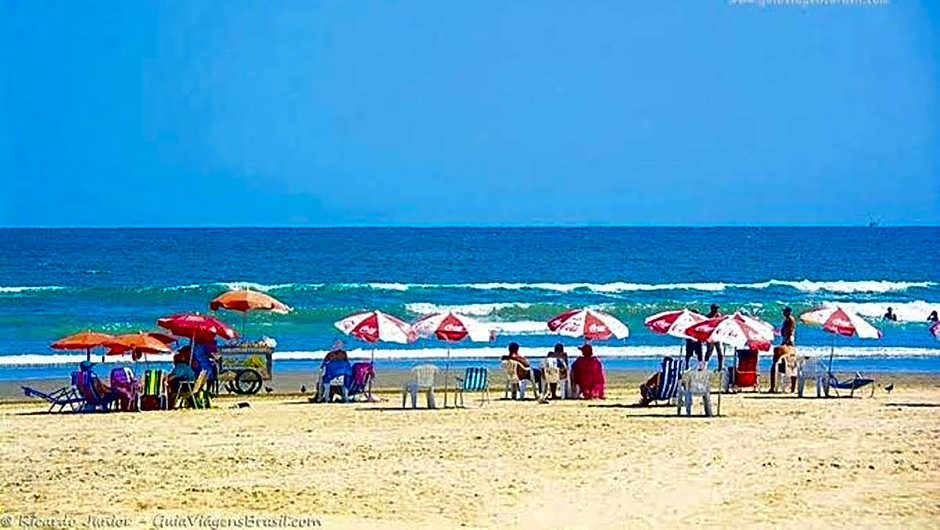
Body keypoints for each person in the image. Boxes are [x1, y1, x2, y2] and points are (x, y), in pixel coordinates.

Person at [770, 307, 797, 393]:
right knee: (791, 366)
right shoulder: (789, 320)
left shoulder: (789, 320)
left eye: (785, 311)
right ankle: (792, 388)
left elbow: (789, 332)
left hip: (787, 343)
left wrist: (786, 341)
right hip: (788, 343)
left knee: (777, 364)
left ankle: (773, 387)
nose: (783, 313)